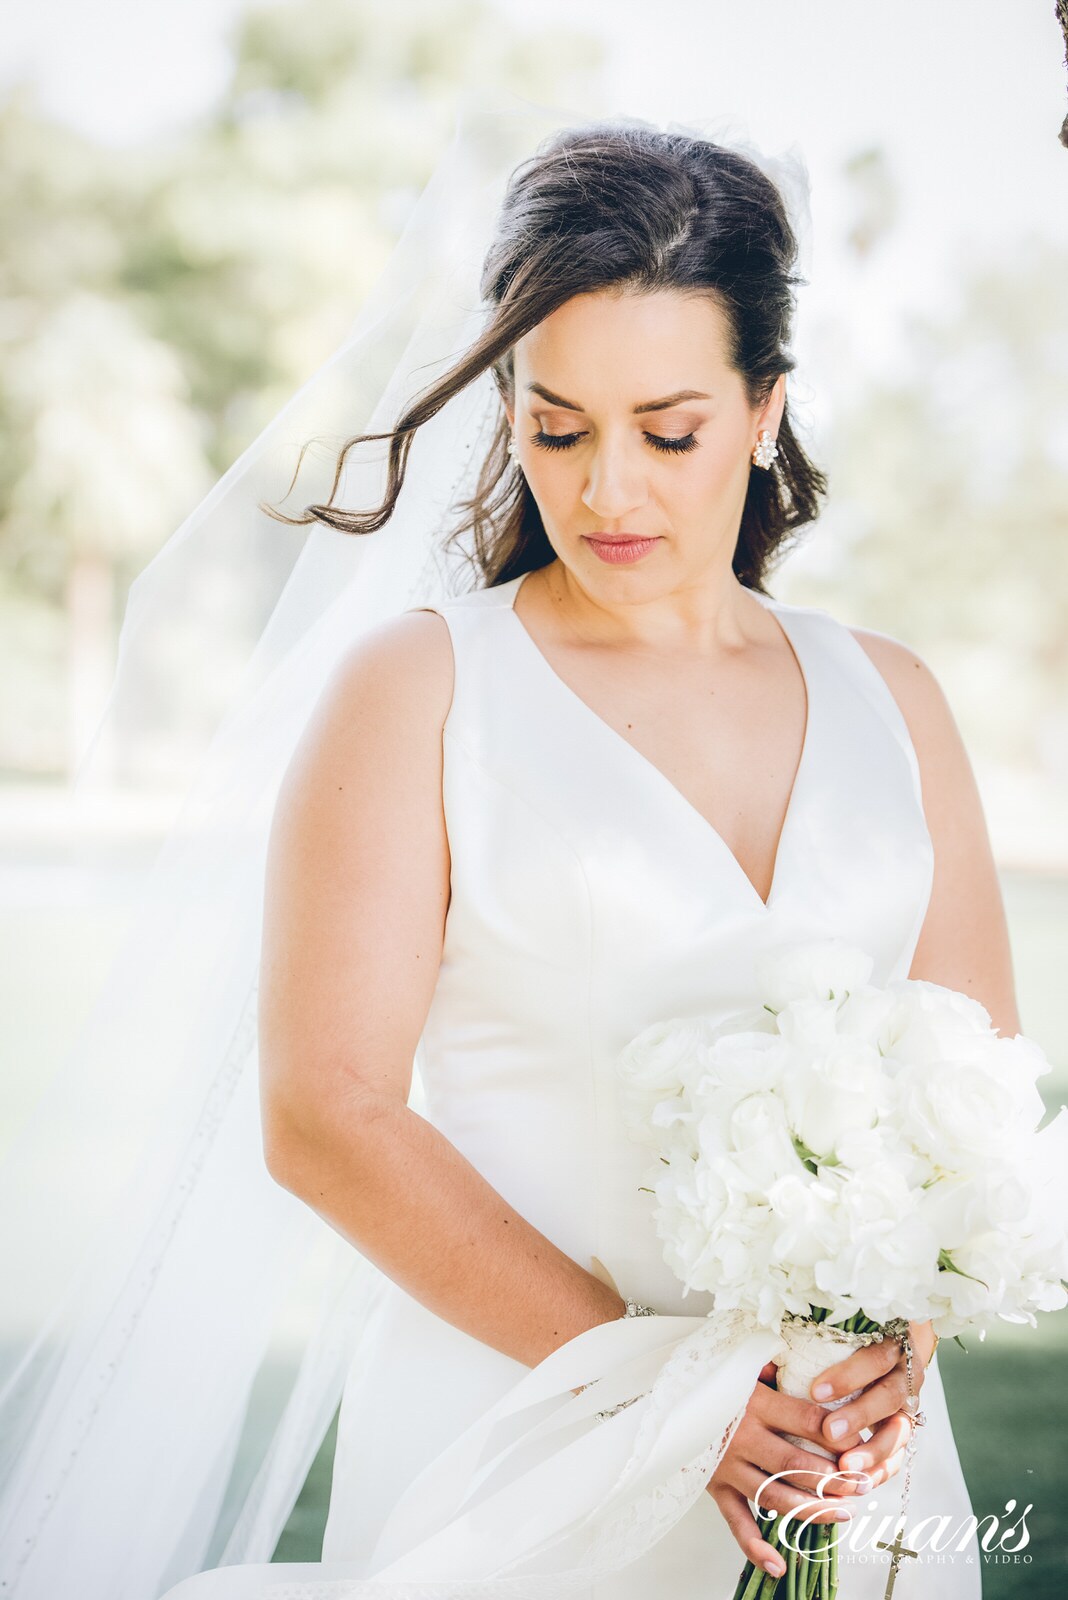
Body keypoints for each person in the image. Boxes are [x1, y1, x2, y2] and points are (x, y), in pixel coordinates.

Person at [2, 109, 1003, 1600]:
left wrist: (889, 1355)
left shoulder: (898, 700)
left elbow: (976, 1103)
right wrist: (664, 1396)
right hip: (520, 1442)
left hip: (842, 1470)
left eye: (669, 433)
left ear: (766, 408)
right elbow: (325, 1112)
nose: (607, 492)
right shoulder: (422, 691)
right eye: (555, 427)